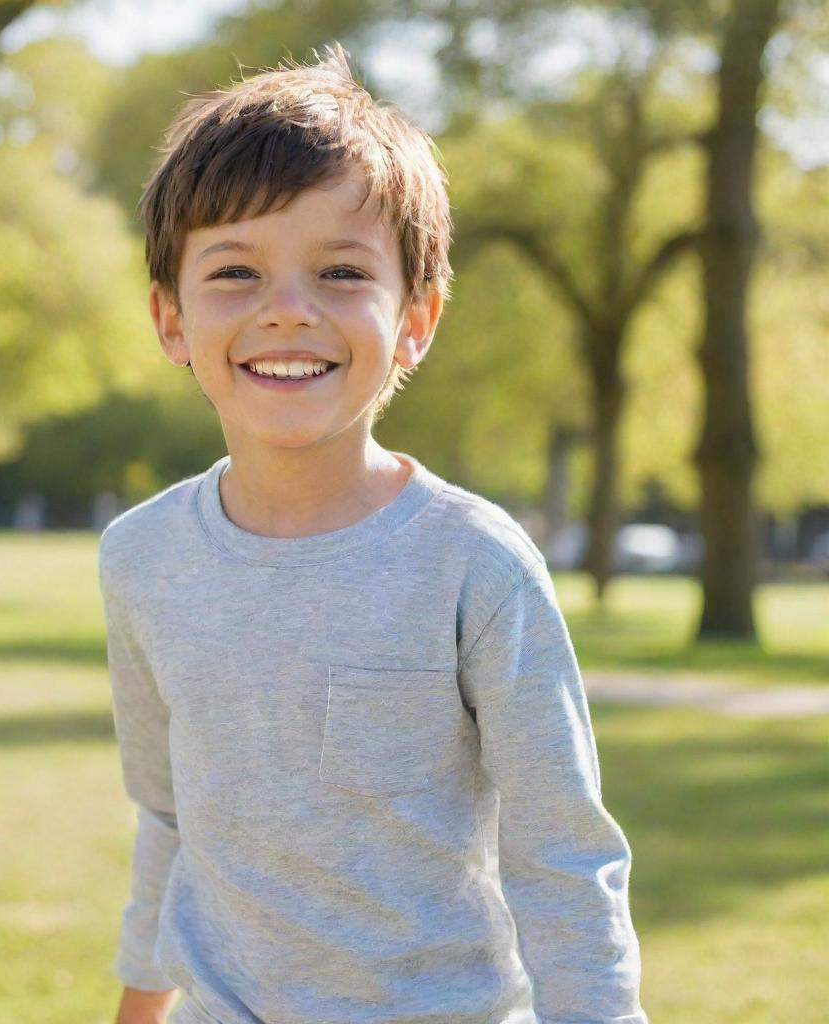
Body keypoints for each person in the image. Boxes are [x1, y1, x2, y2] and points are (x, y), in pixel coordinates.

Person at [98, 42, 649, 1024]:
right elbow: (169, 814)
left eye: (341, 271)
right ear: (170, 318)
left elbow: (561, 854)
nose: (287, 312)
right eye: (234, 271)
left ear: (415, 320)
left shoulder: (472, 566)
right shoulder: (139, 557)